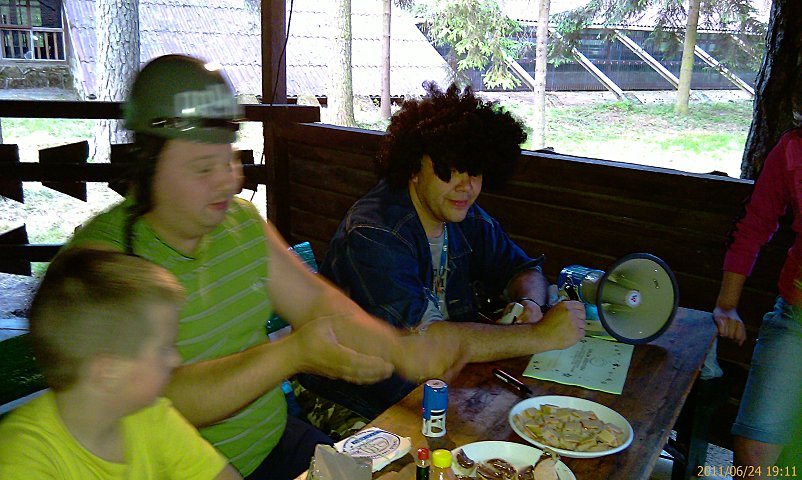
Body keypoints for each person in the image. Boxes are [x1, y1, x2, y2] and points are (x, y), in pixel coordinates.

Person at [64, 55, 457, 480]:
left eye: (229, 160)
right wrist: (292, 354)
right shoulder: (103, 261)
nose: (229, 180)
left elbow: (316, 302)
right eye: (204, 168)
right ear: (147, 165)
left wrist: (399, 349)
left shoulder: (240, 221)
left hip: (275, 441)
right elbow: (157, 400)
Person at [301, 82, 586, 419]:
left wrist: (530, 303)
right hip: (351, 397)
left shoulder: (463, 215)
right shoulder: (375, 233)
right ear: (413, 169)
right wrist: (538, 335)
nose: (465, 186)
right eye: (448, 170)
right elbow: (430, 342)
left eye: (475, 171)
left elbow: (522, 270)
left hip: (436, 383)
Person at [0, 249, 242, 479]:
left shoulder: (151, 416)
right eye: (164, 349)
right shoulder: (22, 458)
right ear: (109, 372)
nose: (175, 359)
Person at [713, 127, 802, 478]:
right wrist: (727, 304)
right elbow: (754, 224)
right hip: (795, 319)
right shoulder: (793, 148)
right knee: (753, 454)